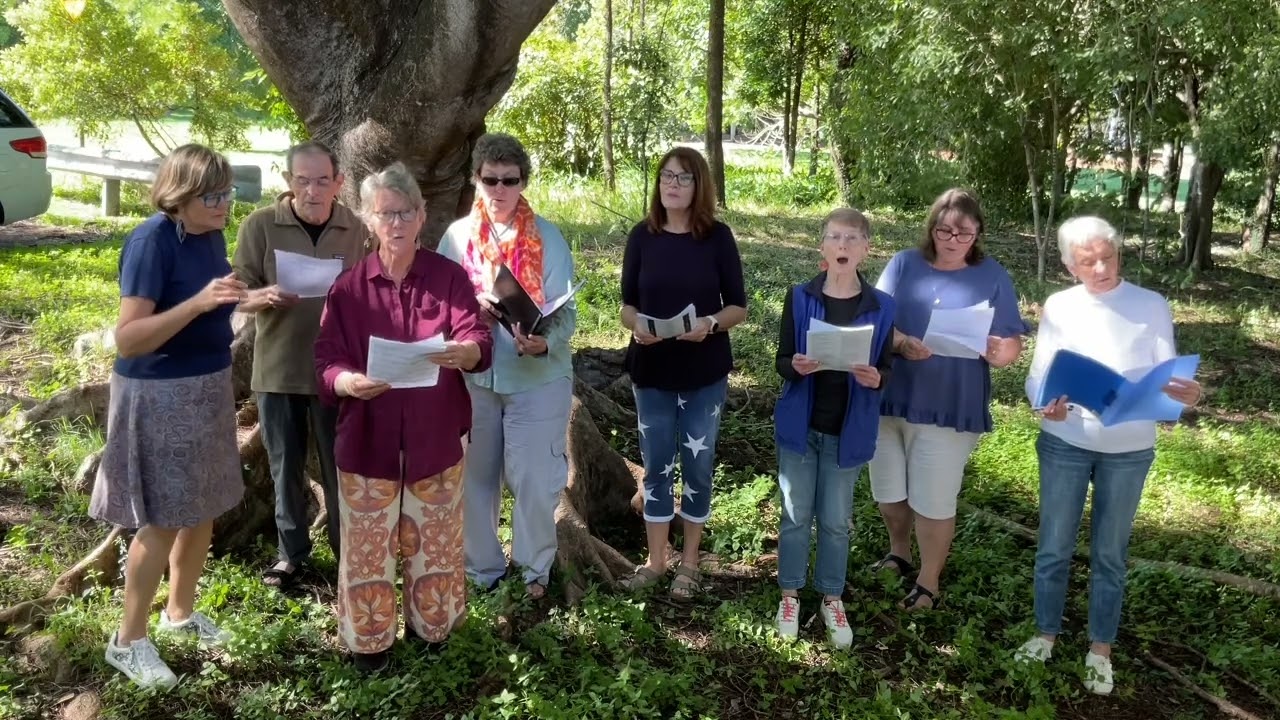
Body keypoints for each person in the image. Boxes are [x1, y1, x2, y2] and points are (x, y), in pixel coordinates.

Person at [314, 162, 493, 674]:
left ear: (422, 216)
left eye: (406, 212)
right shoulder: (349, 289)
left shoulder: (447, 278)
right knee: (367, 548)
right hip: (367, 439)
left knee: (435, 542)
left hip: (435, 437)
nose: (396, 222)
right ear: (369, 220)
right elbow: (326, 362)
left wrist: (466, 352)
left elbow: (477, 337)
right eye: (386, 213)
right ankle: (370, 646)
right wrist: (348, 382)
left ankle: (433, 633)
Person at [1014, 216, 1202, 694]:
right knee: (1053, 546)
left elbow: (1169, 376)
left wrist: (1187, 395)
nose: (1100, 268)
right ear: (1068, 265)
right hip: (1065, 441)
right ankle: (1045, 634)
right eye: (1087, 261)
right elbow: (1038, 374)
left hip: (1129, 449)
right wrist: (1045, 405)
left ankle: (1100, 649)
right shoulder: (1060, 306)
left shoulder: (1150, 305)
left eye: (1108, 257)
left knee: (1110, 554)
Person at [91, 144, 247, 690]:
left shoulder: (209, 235)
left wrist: (247, 299)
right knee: (161, 517)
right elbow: (130, 338)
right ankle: (127, 641)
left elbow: (210, 303)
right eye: (213, 196)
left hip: (207, 386)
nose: (225, 204)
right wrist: (199, 303)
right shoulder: (150, 242)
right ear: (179, 197)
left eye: (228, 193)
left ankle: (179, 614)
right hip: (158, 394)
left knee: (201, 507)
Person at [869, 188, 1028, 611]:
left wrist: (1000, 351)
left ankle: (928, 580)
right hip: (890, 395)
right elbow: (876, 319)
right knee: (889, 490)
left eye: (964, 233)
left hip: (949, 403)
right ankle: (899, 552)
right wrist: (900, 343)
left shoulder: (992, 275)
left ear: (978, 233)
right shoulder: (904, 264)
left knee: (933, 498)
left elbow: (1011, 343)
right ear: (931, 229)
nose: (954, 240)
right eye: (944, 231)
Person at [437, 133, 576, 600]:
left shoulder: (548, 237)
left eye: (509, 180)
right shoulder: (456, 237)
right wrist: (466, 310)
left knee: (535, 480)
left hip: (536, 377)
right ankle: (482, 571)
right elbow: (437, 305)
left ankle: (534, 571)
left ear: (523, 182)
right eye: (490, 179)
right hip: (474, 377)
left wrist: (544, 341)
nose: (499, 189)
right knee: (474, 479)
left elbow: (566, 311)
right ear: (476, 180)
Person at [233, 141, 367, 589]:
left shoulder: (356, 229)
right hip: (279, 369)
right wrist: (262, 297)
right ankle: (291, 555)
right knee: (284, 467)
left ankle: (349, 554)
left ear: (338, 182)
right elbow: (236, 293)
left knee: (341, 468)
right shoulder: (260, 225)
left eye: (322, 180)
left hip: (338, 374)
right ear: (288, 181)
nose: (313, 190)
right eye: (303, 180)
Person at [618, 147, 748, 600]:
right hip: (652, 369)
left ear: (699, 186)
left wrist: (710, 323)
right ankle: (656, 561)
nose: (672, 185)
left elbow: (738, 307)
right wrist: (636, 325)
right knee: (656, 466)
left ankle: (689, 562)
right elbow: (627, 305)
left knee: (698, 466)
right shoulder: (642, 236)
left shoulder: (717, 238)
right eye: (666, 176)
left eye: (683, 178)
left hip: (703, 370)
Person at [772, 208, 896, 647]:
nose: (843, 245)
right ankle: (789, 595)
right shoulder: (799, 298)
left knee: (836, 521)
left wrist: (877, 378)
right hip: (802, 426)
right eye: (835, 237)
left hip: (848, 431)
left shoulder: (882, 306)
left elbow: (886, 366)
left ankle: (831, 596)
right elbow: (782, 360)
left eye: (852, 238)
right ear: (822, 246)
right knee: (794, 515)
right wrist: (796, 366)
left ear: (866, 249)